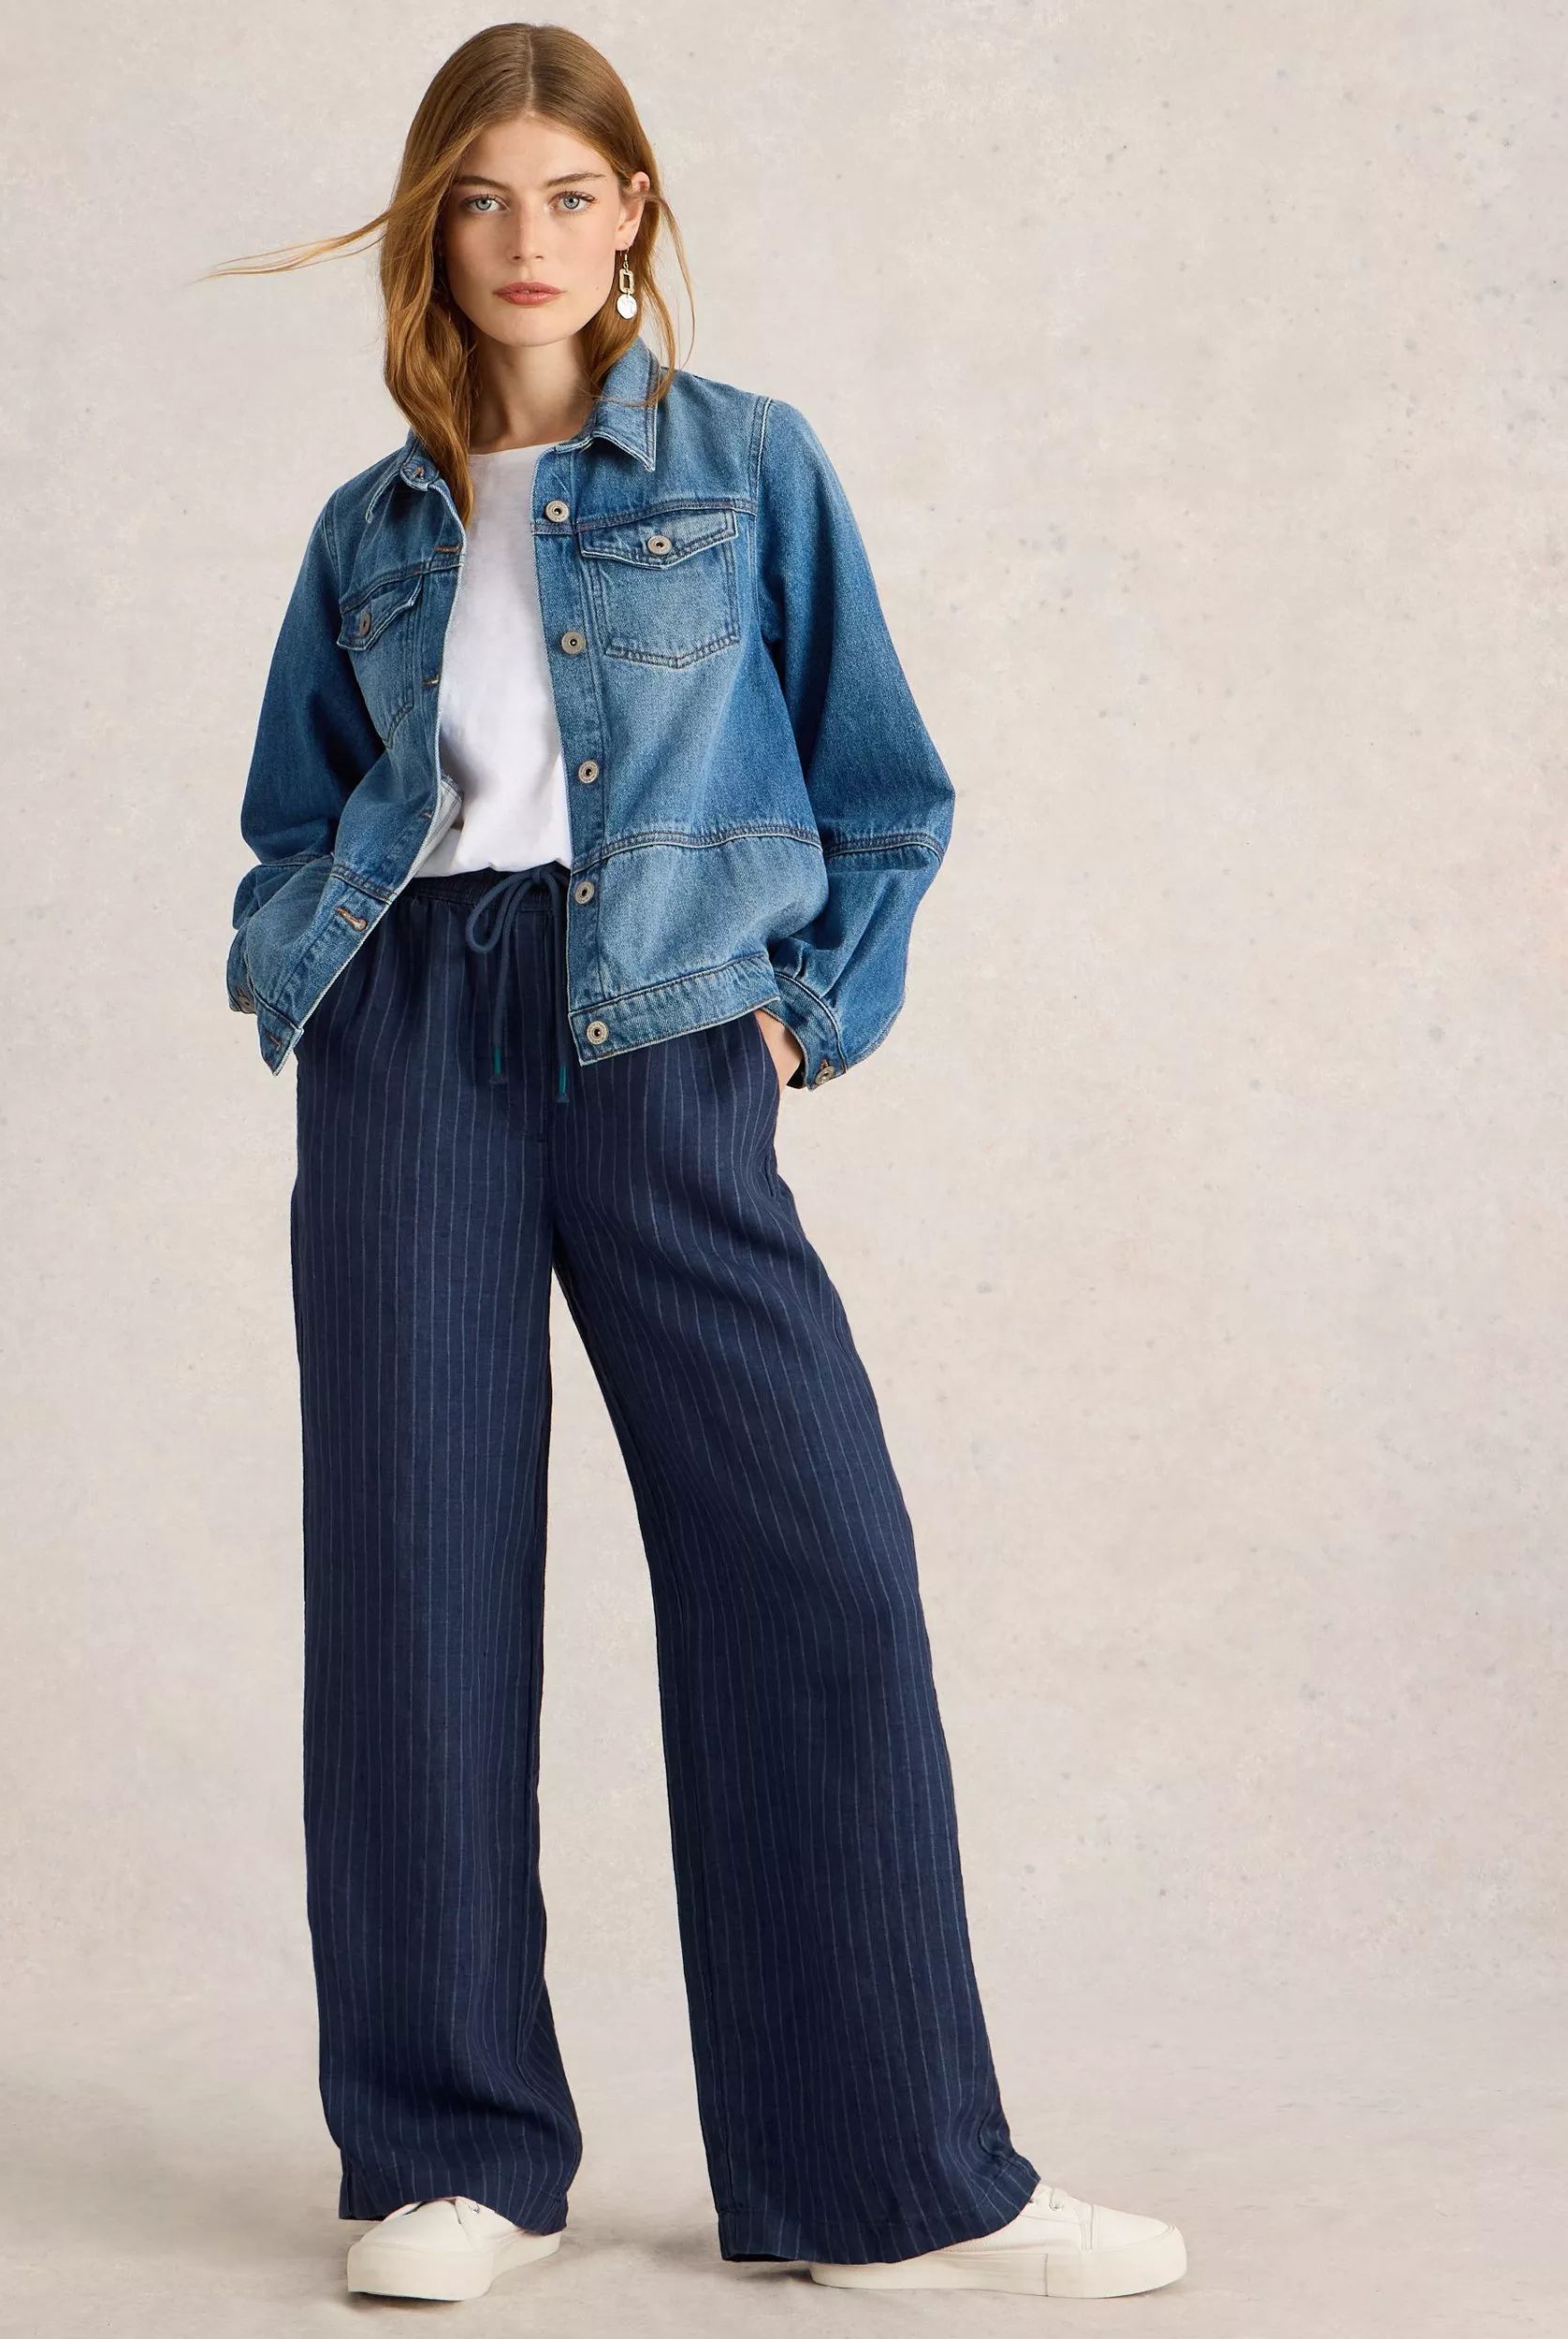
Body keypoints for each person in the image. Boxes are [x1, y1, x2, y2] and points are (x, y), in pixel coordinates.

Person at [215, 21, 1186, 2308]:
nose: (526, 239)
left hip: (663, 1026)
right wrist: (311, 977)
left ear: (632, 212)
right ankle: (452, 2159)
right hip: (409, 1039)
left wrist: (794, 1007)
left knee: (812, 1564)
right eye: (481, 198)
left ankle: (891, 2178)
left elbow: (884, 783)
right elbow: (294, 815)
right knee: (416, 1590)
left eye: (569, 194)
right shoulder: (371, 525)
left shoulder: (749, 463)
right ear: (430, 226)